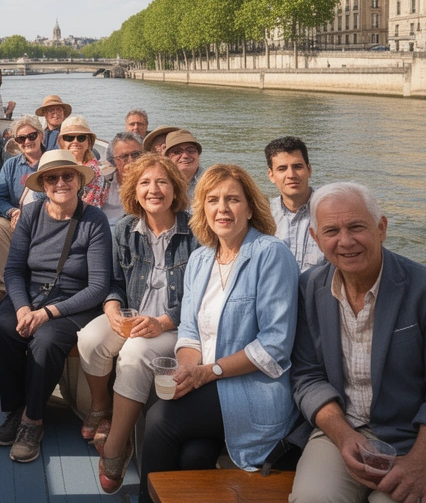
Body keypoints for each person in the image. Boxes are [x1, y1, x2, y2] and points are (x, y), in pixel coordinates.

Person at [290, 182, 426, 503]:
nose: (346, 241)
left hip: (422, 440)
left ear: (381, 228)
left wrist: (419, 464)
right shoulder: (308, 289)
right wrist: (344, 436)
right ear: (316, 239)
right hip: (344, 432)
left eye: (357, 227)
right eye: (332, 230)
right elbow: (307, 377)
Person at [138, 164, 298, 503]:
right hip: (208, 383)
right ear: (203, 208)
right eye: (212, 200)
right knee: (192, 456)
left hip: (252, 390)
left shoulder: (270, 254)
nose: (222, 208)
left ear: (251, 207)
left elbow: (274, 345)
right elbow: (189, 330)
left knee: (160, 420)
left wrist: (207, 373)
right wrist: (186, 369)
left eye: (232, 200)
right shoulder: (200, 259)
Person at [79, 153, 197, 493]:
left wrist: (162, 321)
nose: (154, 189)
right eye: (145, 182)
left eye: (162, 182)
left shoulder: (195, 233)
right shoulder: (125, 229)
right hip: (133, 316)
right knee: (90, 338)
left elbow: (200, 299)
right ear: (134, 189)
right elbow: (115, 283)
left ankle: (116, 446)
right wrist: (113, 308)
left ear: (176, 188)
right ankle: (100, 407)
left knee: (133, 354)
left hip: (174, 327)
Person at [0, 149, 112, 464]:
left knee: (44, 340)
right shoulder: (31, 215)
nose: (61, 182)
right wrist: (21, 308)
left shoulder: (94, 220)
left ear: (78, 181)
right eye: (52, 177)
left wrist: (46, 313)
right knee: (4, 327)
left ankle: (33, 420)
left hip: (73, 301)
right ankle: (18, 407)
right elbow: (14, 270)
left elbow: (98, 286)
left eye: (67, 176)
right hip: (31, 295)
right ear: (43, 185)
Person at [0, 116, 46, 312]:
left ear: (41, 136)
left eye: (31, 136)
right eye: (21, 139)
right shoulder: (11, 166)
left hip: (47, 222)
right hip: (17, 223)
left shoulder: (52, 162)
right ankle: (0, 287)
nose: (27, 141)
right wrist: (12, 212)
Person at [265, 136, 324, 272]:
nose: (291, 174)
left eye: (297, 167)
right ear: (271, 175)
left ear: (309, 170)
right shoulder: (264, 216)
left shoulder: (331, 211)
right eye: (282, 169)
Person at [57, 115, 110, 208]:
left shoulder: (92, 172)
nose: (75, 141)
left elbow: (87, 207)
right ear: (62, 142)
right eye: (69, 138)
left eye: (81, 137)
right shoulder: (58, 165)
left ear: (88, 142)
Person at [101, 131, 143, 225]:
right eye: (124, 156)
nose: (131, 160)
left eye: (136, 154)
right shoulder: (103, 182)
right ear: (114, 160)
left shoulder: (150, 182)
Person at [145, 127, 204, 194]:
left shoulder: (210, 180)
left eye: (191, 150)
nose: (185, 156)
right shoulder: (156, 185)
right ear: (167, 158)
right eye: (177, 152)